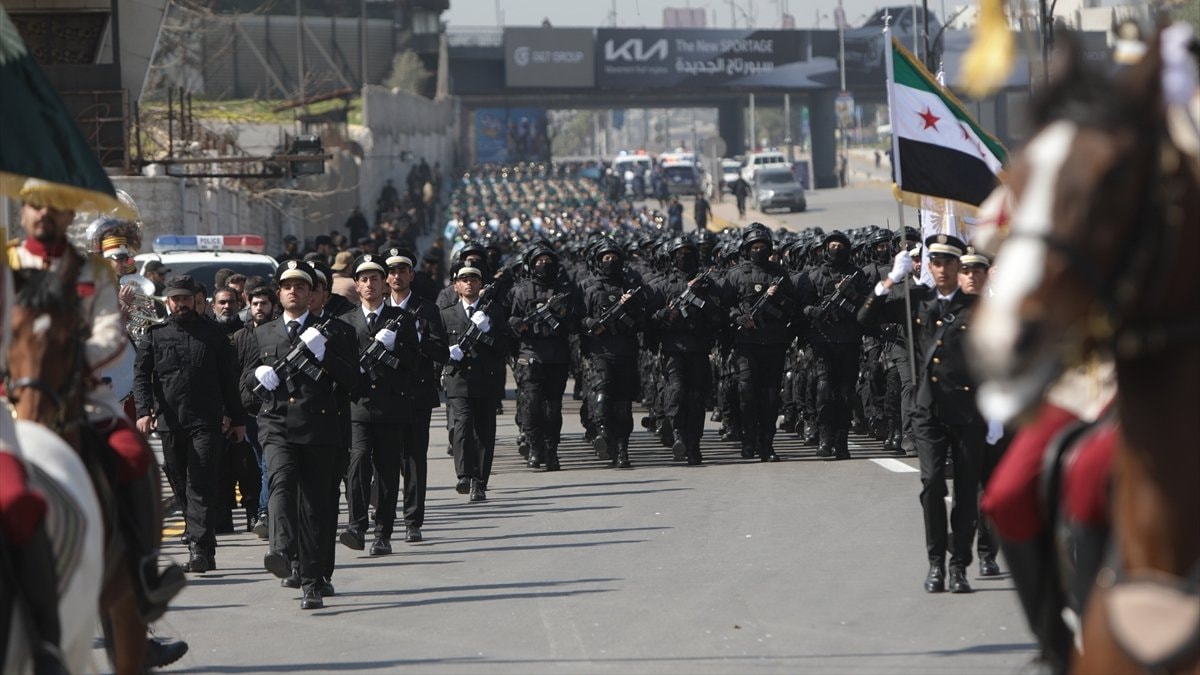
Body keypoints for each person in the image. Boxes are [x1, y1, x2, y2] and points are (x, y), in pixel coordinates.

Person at [11, 184, 187, 644]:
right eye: (36, 207)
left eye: (57, 208)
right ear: (24, 213)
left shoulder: (93, 272)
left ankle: (141, 586)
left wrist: (64, 359)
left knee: (133, 459)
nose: (45, 215)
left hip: (80, 393)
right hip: (15, 398)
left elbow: (110, 339)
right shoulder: (8, 265)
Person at [858, 234, 984, 594]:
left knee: (964, 492)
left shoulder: (978, 308)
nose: (943, 269)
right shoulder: (917, 301)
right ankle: (935, 564)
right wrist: (890, 281)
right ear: (928, 266)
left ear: (959, 267)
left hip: (968, 410)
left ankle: (959, 565)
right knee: (931, 485)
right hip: (928, 410)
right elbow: (865, 318)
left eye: (949, 263)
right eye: (937, 262)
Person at [243, 260, 358, 609]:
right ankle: (280, 549)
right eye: (288, 286)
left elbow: (355, 384)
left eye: (302, 286)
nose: (294, 291)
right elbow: (245, 392)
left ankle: (311, 579)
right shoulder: (260, 334)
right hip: (276, 426)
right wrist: (255, 378)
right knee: (280, 482)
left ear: (311, 294)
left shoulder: (337, 333)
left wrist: (325, 356)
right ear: (279, 293)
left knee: (315, 508)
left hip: (320, 429)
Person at [134, 275, 247, 573]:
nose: (181, 304)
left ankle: (200, 548)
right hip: (170, 423)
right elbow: (142, 378)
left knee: (200, 482)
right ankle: (200, 538)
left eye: (186, 298)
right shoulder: (155, 335)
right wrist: (144, 412)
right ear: (168, 301)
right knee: (180, 483)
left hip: (205, 422)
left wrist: (236, 419)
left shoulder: (214, 335)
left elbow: (229, 381)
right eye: (176, 299)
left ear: (195, 300)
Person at [339, 254, 419, 555]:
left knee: (387, 471)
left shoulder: (403, 320)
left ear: (384, 283)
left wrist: (393, 347)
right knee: (357, 466)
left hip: (391, 406)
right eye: (364, 279)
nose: (370, 283)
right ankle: (356, 525)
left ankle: (383, 531)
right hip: (358, 405)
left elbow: (414, 362)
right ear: (357, 286)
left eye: (375, 278)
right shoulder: (346, 322)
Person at [721, 224, 806, 461]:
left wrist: (778, 299)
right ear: (747, 249)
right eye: (754, 247)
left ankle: (766, 443)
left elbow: (794, 309)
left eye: (763, 247)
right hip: (746, 344)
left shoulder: (779, 274)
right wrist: (738, 317)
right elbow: (724, 307)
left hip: (773, 343)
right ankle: (748, 441)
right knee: (746, 392)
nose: (759, 250)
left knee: (770, 397)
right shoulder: (736, 274)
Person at [382, 247, 449, 542]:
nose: (397, 276)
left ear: (411, 274)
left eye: (402, 271)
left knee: (412, 459)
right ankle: (383, 514)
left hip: (416, 394)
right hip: (383, 394)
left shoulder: (426, 309)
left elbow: (441, 352)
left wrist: (417, 339)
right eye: (392, 271)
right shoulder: (377, 310)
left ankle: (413, 519)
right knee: (384, 459)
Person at [648, 236, 724, 465]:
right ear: (672, 257)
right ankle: (678, 433)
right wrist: (664, 315)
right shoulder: (663, 285)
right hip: (673, 349)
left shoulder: (707, 284)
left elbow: (718, 317)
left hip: (698, 347)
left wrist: (703, 297)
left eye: (688, 252)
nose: (684, 256)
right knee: (677, 392)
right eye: (680, 252)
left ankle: (694, 444)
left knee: (696, 398)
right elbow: (650, 320)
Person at [508, 245, 581, 471]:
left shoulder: (565, 291)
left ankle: (551, 450)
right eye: (539, 261)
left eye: (548, 260)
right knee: (531, 406)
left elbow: (575, 325)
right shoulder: (521, 292)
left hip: (557, 356)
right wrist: (516, 326)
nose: (544, 265)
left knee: (553, 407)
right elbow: (511, 320)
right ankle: (534, 447)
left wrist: (563, 314)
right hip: (530, 355)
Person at [441, 266, 510, 500]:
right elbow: (435, 347)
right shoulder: (447, 314)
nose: (469, 283)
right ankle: (464, 475)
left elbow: (506, 347)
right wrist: (448, 353)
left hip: (486, 380)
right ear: (455, 286)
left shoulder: (495, 313)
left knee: (484, 432)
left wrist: (488, 331)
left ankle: (480, 482)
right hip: (459, 380)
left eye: (474, 279)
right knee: (461, 426)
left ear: (481, 285)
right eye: (463, 279)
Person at [804, 231, 871, 460]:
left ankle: (841, 441)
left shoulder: (856, 275)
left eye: (840, 245)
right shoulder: (814, 275)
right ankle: (824, 437)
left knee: (845, 392)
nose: (836, 249)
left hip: (849, 341)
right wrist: (815, 311)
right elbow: (802, 306)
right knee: (824, 390)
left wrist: (850, 293)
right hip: (822, 341)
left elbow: (867, 306)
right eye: (832, 245)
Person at [580, 239, 646, 469]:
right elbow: (576, 317)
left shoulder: (630, 284)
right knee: (602, 391)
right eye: (606, 258)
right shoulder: (588, 286)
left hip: (625, 351)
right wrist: (591, 323)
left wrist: (632, 305)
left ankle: (622, 449)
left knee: (623, 404)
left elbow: (642, 321)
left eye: (614, 258)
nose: (611, 262)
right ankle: (602, 432)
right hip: (600, 351)